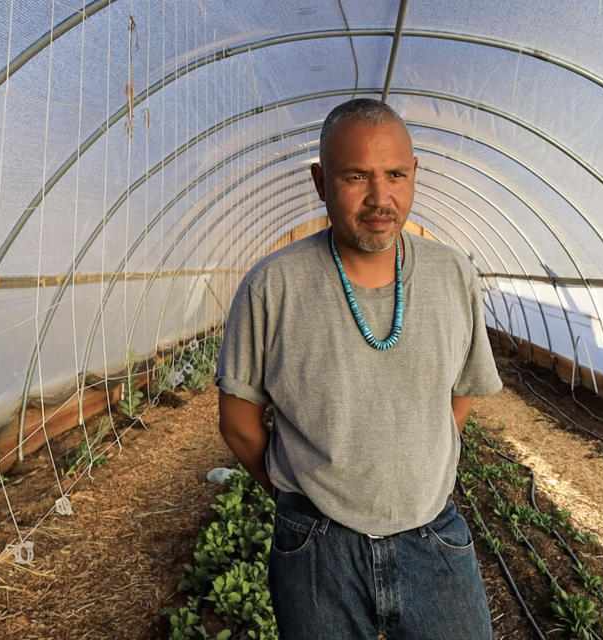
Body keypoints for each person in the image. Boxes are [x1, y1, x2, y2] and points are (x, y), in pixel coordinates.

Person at [214, 98, 502, 640]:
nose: (380, 197)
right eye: (355, 176)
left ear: (414, 175)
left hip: (433, 537)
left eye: (395, 175)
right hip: (319, 548)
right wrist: (302, 497)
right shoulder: (274, 285)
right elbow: (238, 422)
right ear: (321, 182)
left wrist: (415, 466)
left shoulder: (452, 275)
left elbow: (461, 393)